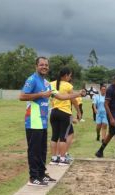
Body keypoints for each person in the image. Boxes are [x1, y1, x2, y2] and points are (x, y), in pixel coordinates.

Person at [19, 57, 81, 186]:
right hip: (33, 120)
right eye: (42, 65)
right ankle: (33, 177)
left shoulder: (47, 83)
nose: (44, 67)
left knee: (42, 149)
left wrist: (78, 94)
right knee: (34, 150)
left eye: (46, 65)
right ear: (36, 66)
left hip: (42, 121)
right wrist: (41, 95)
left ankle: (41, 174)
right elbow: (22, 96)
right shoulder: (32, 79)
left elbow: (61, 96)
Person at [49, 67, 81, 166]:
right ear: (66, 75)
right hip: (64, 113)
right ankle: (62, 159)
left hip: (54, 112)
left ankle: (54, 159)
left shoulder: (51, 84)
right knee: (63, 137)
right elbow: (74, 100)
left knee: (54, 136)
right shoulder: (68, 85)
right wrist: (79, 111)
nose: (70, 77)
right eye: (70, 75)